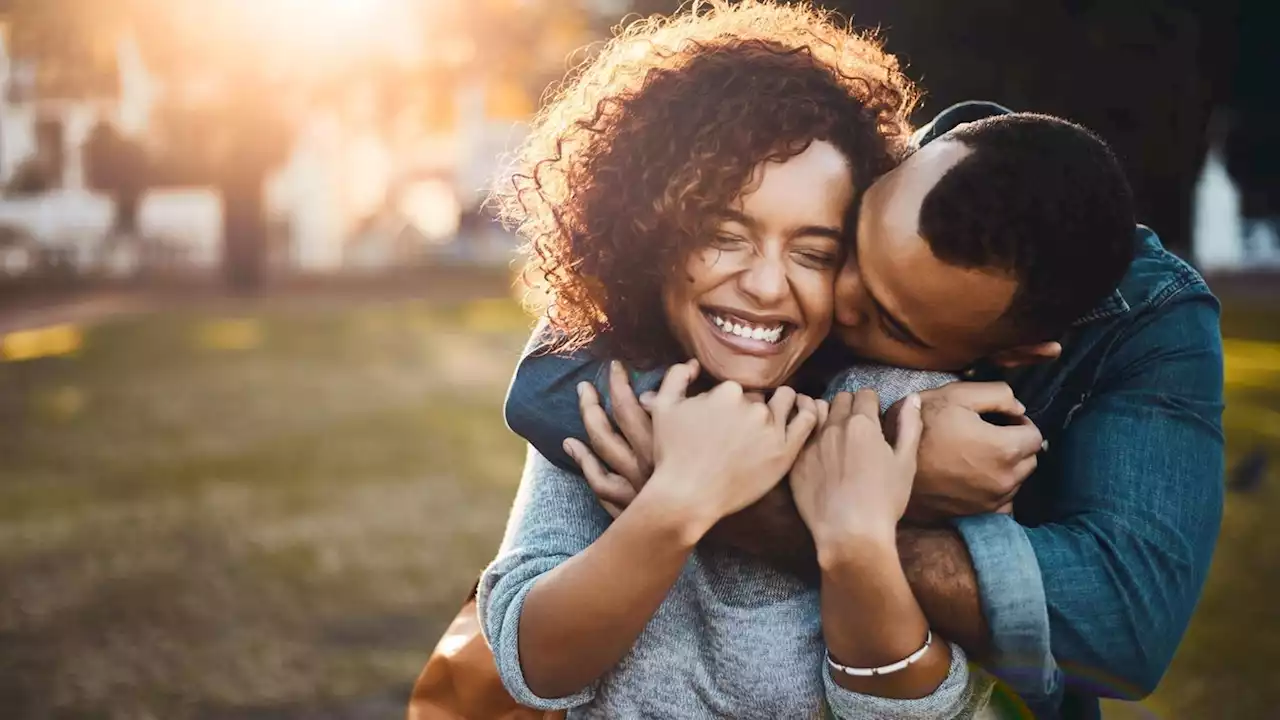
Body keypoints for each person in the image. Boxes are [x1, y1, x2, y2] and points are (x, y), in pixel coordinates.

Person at [507, 99, 1225, 719]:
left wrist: (848, 512)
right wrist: (879, 461)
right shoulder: (837, 169)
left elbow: (1120, 625)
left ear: (1007, 355)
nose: (834, 299)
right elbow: (549, 381)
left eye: (891, 320)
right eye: (845, 244)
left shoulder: (1138, 323)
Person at [479, 2, 995, 717]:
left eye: (814, 253)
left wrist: (854, 545)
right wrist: (681, 499)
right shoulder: (613, 392)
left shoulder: (900, 406)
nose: (764, 284)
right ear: (649, 232)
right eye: (724, 235)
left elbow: (923, 708)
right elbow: (536, 666)